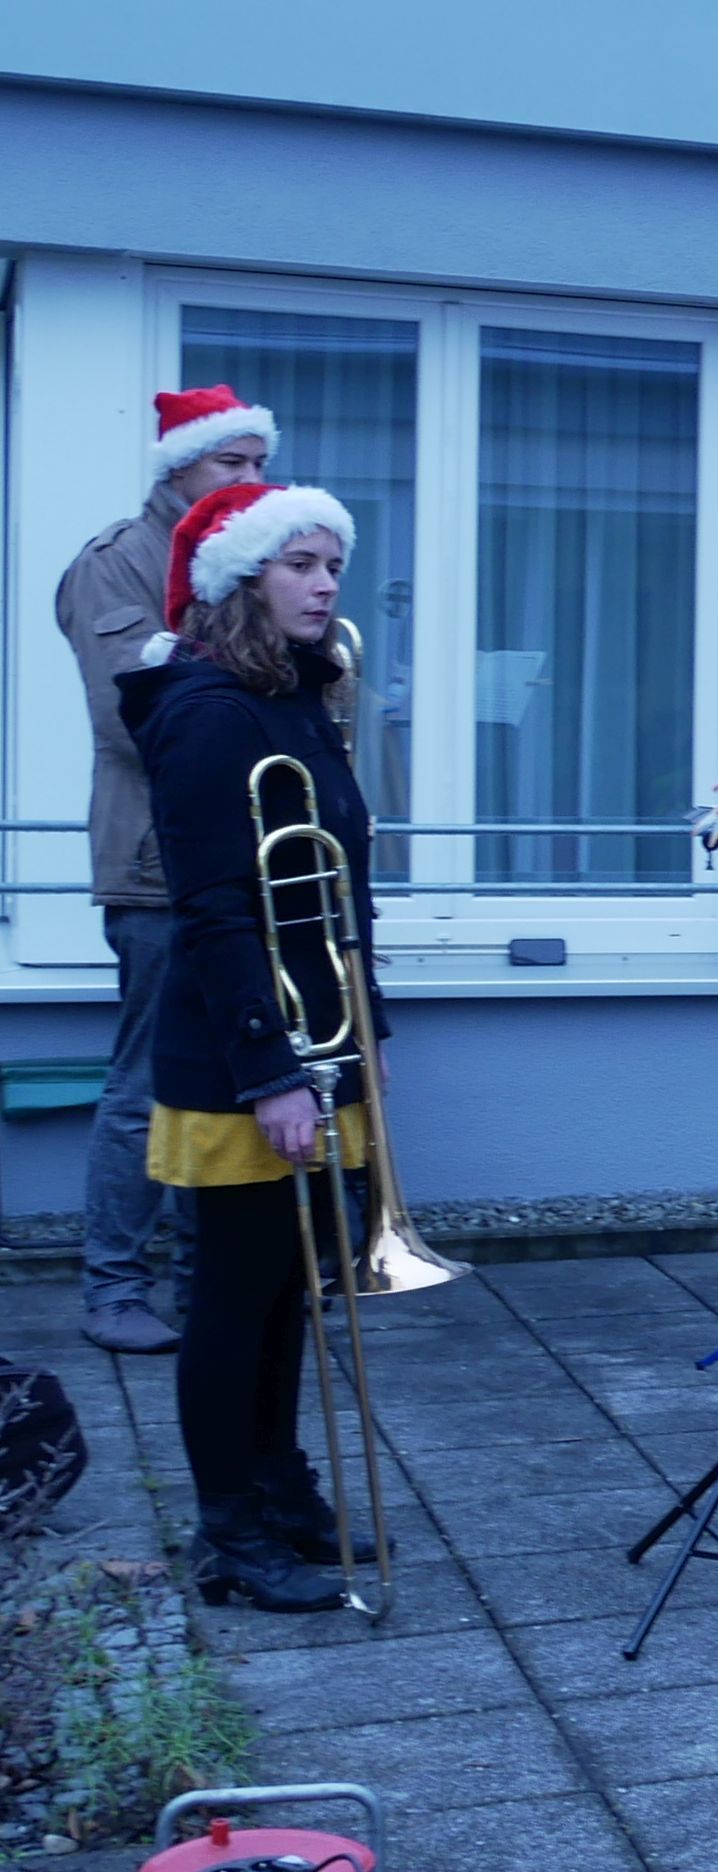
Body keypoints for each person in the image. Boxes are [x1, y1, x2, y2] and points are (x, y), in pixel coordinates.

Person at [118, 480, 379, 1612]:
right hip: (246, 1058)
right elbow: (215, 906)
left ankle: (280, 1489)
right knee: (233, 1297)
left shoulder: (296, 699)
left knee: (287, 1292)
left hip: (319, 1037)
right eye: (301, 563)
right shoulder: (209, 711)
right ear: (241, 577)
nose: (325, 583)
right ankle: (231, 1535)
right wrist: (271, 1070)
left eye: (332, 564)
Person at [54, 386, 278, 1356]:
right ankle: (113, 1285)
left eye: (258, 463)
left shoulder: (242, 561)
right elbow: (129, 717)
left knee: (235, 1079)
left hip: (242, 865)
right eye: (230, 463)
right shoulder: (120, 564)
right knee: (150, 1078)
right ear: (176, 468)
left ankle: (208, 1282)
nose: (251, 480)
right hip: (156, 862)